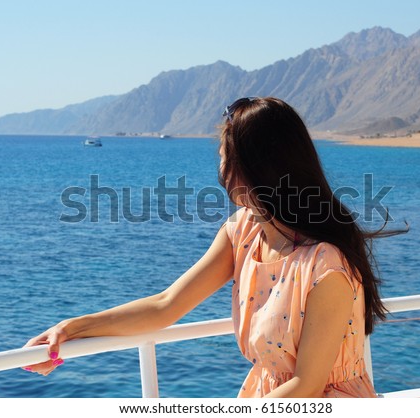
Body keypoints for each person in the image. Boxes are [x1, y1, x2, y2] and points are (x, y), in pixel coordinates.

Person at [24, 97, 400, 398]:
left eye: (224, 156)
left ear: (255, 168)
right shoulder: (244, 232)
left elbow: (308, 384)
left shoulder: (325, 265)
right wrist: (70, 329)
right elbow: (165, 305)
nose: (218, 166)